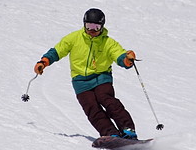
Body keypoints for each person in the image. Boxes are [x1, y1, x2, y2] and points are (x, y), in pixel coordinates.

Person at [33, 8, 138, 139]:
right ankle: (110, 133)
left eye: (96, 27)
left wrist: (126, 60)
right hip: (80, 81)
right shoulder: (74, 38)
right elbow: (58, 50)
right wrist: (44, 61)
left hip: (101, 77)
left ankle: (127, 129)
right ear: (84, 24)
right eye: (89, 26)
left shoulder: (108, 42)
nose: (92, 30)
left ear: (102, 26)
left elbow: (118, 54)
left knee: (106, 99)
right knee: (91, 108)